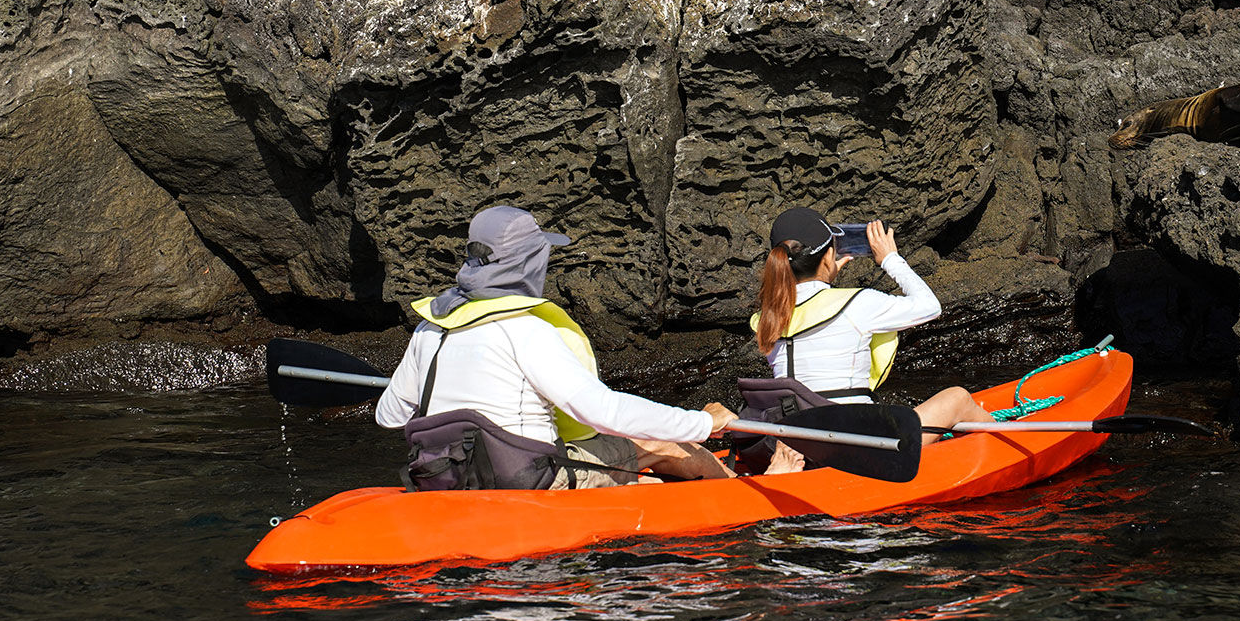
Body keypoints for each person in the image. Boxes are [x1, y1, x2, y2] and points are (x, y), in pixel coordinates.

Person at [377, 205, 736, 486]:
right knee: (667, 446)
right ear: (528, 262)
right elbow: (603, 413)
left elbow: (389, 416)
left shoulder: (430, 328)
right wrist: (702, 422)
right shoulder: (525, 329)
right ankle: (739, 492)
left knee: (639, 468)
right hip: (529, 479)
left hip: (448, 476)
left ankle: (644, 488)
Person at [746, 207, 993, 473]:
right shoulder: (858, 303)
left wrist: (825, 275)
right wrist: (890, 258)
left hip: (798, 445)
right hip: (856, 447)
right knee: (957, 398)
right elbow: (930, 306)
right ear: (829, 255)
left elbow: (810, 306)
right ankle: (1015, 449)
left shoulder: (765, 320)